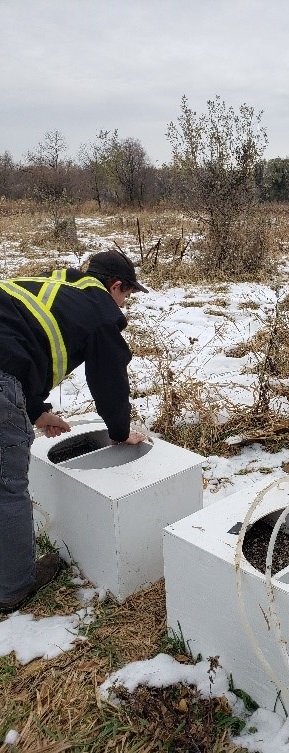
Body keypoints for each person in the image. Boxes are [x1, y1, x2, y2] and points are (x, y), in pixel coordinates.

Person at [0, 250, 148, 614]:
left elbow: (16, 342)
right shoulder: (100, 313)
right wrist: (119, 431)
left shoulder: (53, 286)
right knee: (7, 486)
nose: (123, 303)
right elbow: (109, 379)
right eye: (126, 295)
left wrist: (36, 411)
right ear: (115, 286)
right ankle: (14, 586)